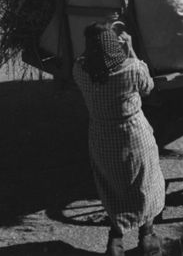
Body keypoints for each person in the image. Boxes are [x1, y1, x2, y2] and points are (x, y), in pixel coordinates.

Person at [73, 21, 165, 256]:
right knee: (145, 184)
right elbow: (148, 87)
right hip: (134, 137)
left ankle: (115, 241)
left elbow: (89, 61)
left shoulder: (79, 71)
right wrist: (131, 49)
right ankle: (147, 237)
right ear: (113, 46)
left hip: (101, 138)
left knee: (113, 188)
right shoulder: (131, 69)